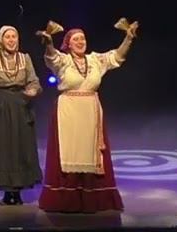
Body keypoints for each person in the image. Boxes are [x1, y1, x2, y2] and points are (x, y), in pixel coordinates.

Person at [36, 22, 138, 213]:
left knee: (91, 152)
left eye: (82, 38)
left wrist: (128, 38)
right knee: (69, 151)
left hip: (90, 111)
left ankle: (92, 197)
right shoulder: (64, 60)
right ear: (68, 43)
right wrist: (49, 43)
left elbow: (117, 56)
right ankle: (67, 199)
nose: (80, 42)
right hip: (68, 111)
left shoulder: (95, 59)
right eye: (76, 39)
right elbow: (51, 57)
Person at [0, 25, 43, 205]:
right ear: (1, 40)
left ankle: (18, 190)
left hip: (22, 105)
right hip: (2, 106)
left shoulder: (25, 58)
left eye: (14, 36)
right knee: (4, 147)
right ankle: (7, 190)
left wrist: (33, 90)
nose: (12, 40)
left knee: (22, 146)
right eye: (8, 37)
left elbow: (33, 81)